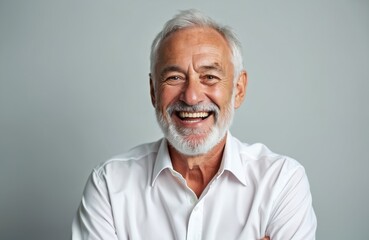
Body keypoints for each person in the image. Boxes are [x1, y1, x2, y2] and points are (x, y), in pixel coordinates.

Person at [71, 9, 317, 240]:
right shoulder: (109, 185)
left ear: (238, 89)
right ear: (153, 91)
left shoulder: (281, 182)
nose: (191, 97)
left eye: (209, 77)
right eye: (174, 78)